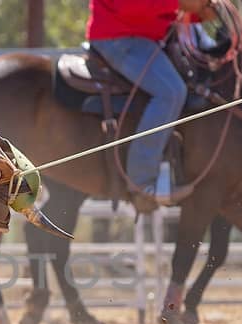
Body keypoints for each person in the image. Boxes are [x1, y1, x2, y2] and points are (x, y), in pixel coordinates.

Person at [86, 0, 212, 207]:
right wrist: (179, 4)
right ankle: (141, 182)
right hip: (120, 38)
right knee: (171, 92)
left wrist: (200, 12)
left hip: (143, 38)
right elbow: (128, 6)